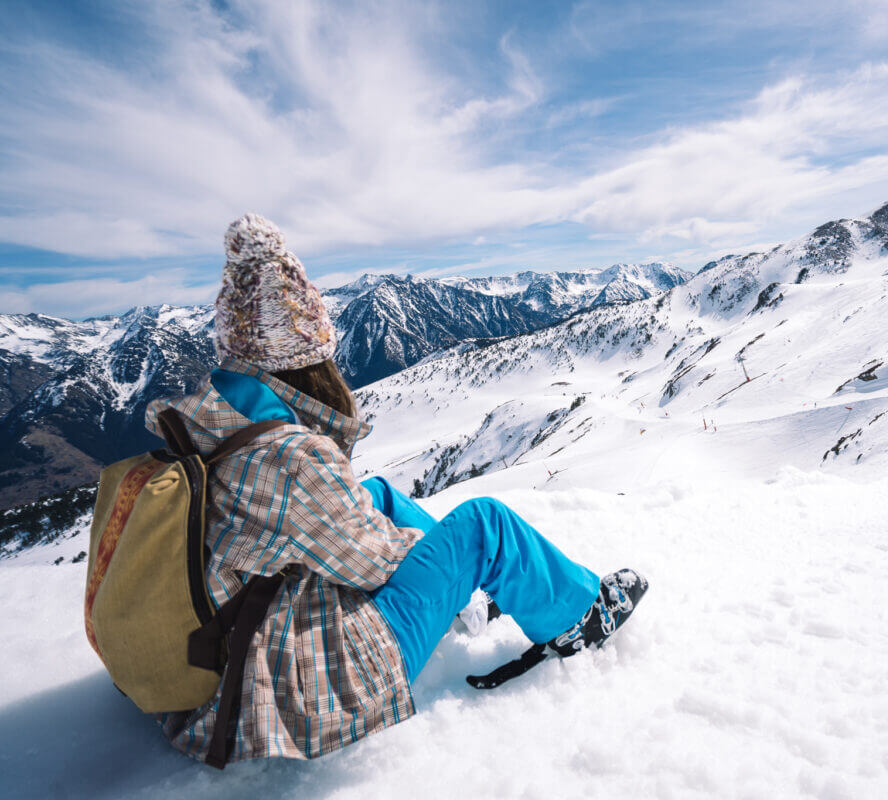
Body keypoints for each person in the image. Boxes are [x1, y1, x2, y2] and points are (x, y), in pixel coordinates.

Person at [146, 215, 648, 764]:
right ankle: (580, 618)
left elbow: (329, 530)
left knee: (379, 494)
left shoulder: (209, 425)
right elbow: (375, 563)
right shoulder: (289, 457)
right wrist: (446, 565)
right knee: (484, 527)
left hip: (233, 651)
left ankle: (471, 597)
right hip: (299, 685)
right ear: (305, 366)